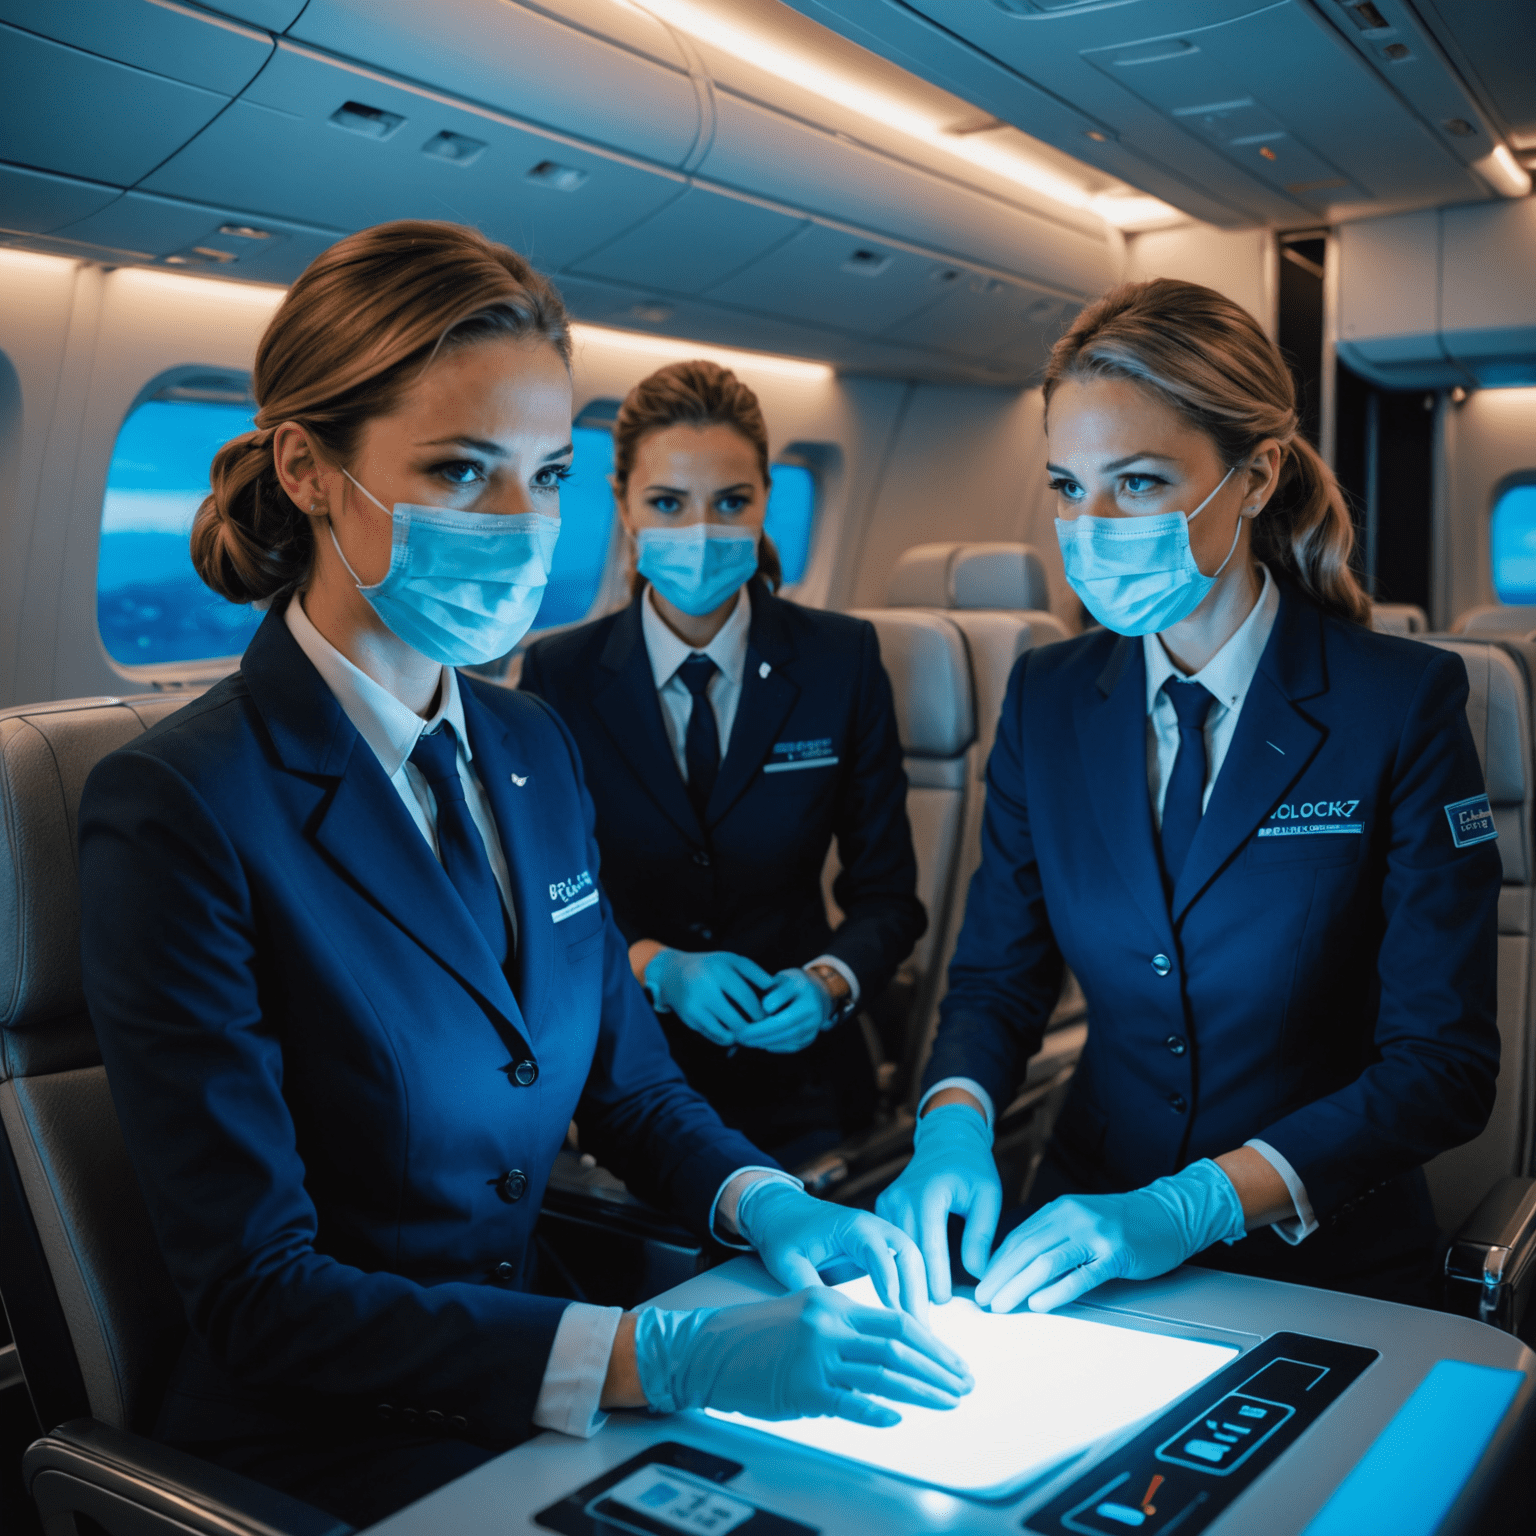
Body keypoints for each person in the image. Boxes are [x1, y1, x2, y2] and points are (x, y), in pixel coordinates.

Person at [78, 222, 970, 1530]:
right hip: (330, 1444)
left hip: (545, 1371)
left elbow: (624, 1078)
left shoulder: (530, 747)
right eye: (459, 471)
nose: (519, 529)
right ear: (309, 469)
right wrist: (653, 1359)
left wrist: (771, 1203)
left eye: (547, 476)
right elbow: (259, 1294)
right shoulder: (180, 809)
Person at [878, 277, 1501, 1314]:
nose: (1091, 525)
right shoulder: (1049, 697)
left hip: (1319, 1254)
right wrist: (952, 1124)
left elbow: (1442, 1064)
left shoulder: (1399, 705)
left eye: (1138, 483)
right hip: (1078, 1231)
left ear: (1254, 477)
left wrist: (1192, 1206)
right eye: (1069, 488)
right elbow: (997, 977)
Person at [520, 361, 925, 1166]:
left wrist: (829, 985)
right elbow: (546, 901)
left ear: (765, 499)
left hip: (802, 1078)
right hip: (625, 1071)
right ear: (624, 504)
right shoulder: (557, 676)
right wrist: (654, 967)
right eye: (668, 502)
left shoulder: (839, 660)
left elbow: (888, 900)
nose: (700, 531)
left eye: (730, 502)